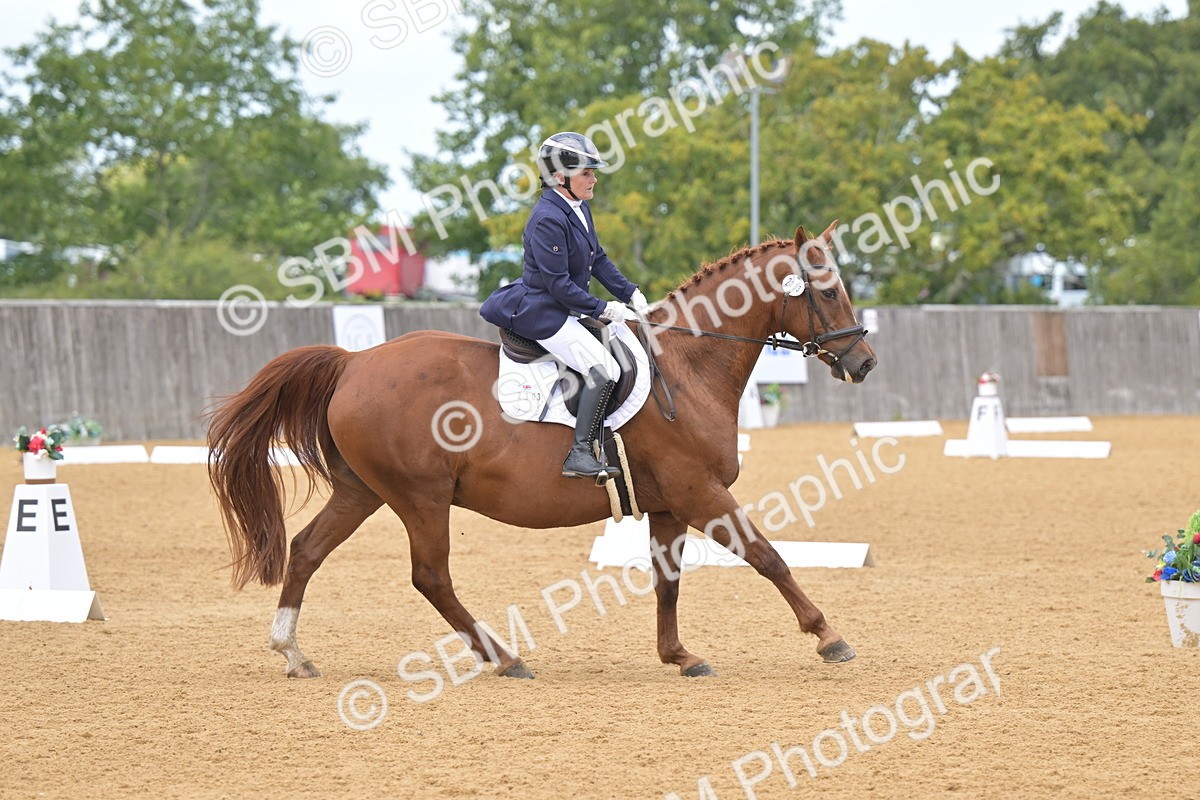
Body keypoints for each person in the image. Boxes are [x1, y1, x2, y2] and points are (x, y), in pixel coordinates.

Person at [480, 131, 649, 481]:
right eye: (586, 172)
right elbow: (559, 286)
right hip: (544, 311)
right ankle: (580, 453)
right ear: (561, 177)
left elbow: (597, 259)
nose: (594, 178)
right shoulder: (547, 218)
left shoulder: (578, 206)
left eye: (592, 171)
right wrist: (604, 308)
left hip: (565, 305)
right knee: (604, 369)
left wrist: (630, 292)